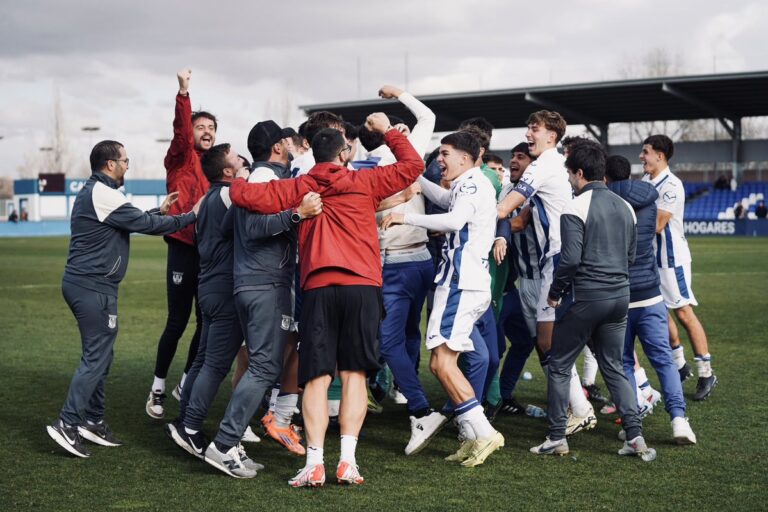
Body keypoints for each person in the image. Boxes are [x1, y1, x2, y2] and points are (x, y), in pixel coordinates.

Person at [214, 113, 424, 486]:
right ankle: (348, 461)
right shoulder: (366, 181)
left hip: (318, 287)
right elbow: (413, 165)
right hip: (362, 285)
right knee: (354, 374)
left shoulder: (300, 186)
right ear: (344, 153)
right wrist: (389, 130)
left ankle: (314, 462)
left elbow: (243, 196)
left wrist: (241, 178)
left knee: (316, 376)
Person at [46, 140, 199, 458]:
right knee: (96, 356)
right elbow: (147, 226)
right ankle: (67, 423)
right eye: (125, 160)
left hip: (90, 285)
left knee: (101, 355)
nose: (128, 165)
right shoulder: (104, 193)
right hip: (92, 287)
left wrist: (159, 211)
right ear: (110, 164)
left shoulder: (99, 193)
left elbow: (134, 220)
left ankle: (93, 421)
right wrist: (190, 216)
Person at [382, 131, 504, 468]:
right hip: (466, 283)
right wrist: (414, 174)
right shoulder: (470, 183)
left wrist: (405, 216)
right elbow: (444, 199)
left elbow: (453, 220)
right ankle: (474, 432)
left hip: (460, 285)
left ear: (464, 158)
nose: (440, 159)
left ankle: (483, 432)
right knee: (442, 363)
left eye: (445, 153)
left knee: (442, 364)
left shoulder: (471, 185)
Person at [530, 139, 655, 461]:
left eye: (570, 173)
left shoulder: (574, 207)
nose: (569, 179)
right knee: (615, 366)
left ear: (580, 173)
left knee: (559, 365)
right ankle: (635, 436)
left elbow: (570, 259)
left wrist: (555, 293)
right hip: (620, 296)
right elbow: (631, 255)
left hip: (586, 297)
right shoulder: (625, 206)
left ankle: (556, 437)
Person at [496, 111, 596, 434]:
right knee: (555, 339)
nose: (528, 134)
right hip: (561, 257)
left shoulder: (542, 165)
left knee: (552, 340)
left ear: (551, 136)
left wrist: (468, 215)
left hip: (558, 258)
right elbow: (524, 215)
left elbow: (506, 208)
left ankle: (583, 409)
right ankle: (580, 407)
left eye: (534, 129)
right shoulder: (556, 164)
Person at [360, 85, 445, 454]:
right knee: (409, 333)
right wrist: (399, 94)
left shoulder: (367, 166)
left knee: (390, 338)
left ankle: (420, 409)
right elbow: (427, 116)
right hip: (422, 260)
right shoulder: (405, 155)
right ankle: (403, 390)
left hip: (394, 264)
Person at [605, 155, 696, 444]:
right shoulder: (648, 195)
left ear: (605, 177)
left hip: (618, 295)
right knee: (664, 361)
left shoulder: (601, 200)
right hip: (650, 293)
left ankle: (633, 422)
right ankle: (679, 420)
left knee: (623, 363)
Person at [147, 68, 216, 419]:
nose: (207, 132)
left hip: (208, 252)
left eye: (211, 128)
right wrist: (183, 92)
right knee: (177, 321)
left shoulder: (215, 167)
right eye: (200, 127)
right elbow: (180, 130)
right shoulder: (180, 157)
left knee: (207, 322)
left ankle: (185, 382)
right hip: (181, 246)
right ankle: (157, 389)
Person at [640, 135, 717, 401]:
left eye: (645, 152)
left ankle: (706, 373)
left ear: (659, 155)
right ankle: (680, 365)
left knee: (683, 312)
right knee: (658, 311)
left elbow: (658, 224)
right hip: (651, 259)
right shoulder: (645, 181)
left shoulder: (671, 185)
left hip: (672, 261)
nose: (641, 157)